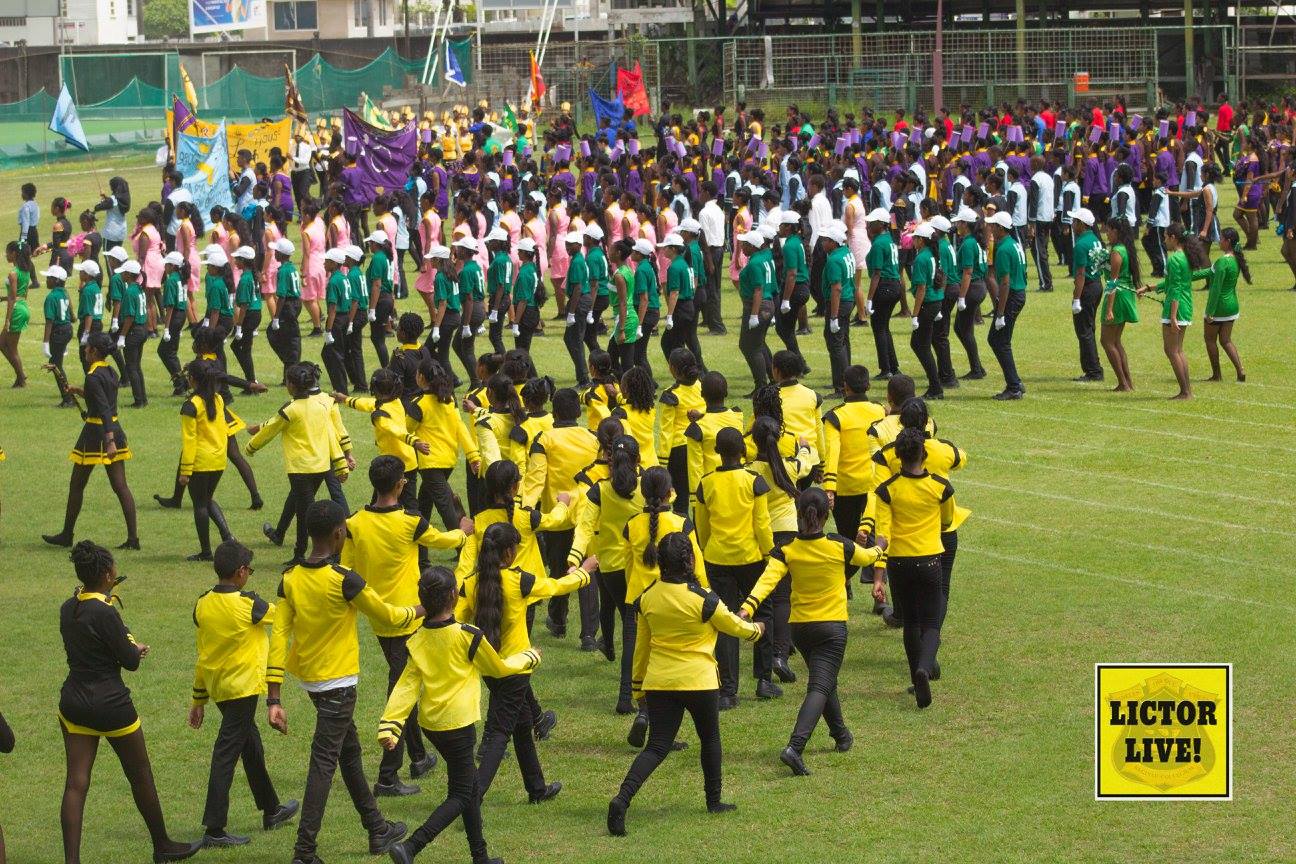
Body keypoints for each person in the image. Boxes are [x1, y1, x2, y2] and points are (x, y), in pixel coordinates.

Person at [266, 499, 417, 862]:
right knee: (324, 762)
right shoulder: (344, 580)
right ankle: (304, 851)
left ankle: (377, 829)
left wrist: (274, 697)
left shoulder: (290, 579)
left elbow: (278, 635)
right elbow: (390, 615)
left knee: (348, 752)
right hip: (339, 684)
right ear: (339, 533)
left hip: (312, 683)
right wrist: (423, 608)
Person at [607, 531, 763, 837]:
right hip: (700, 681)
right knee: (710, 739)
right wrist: (757, 631)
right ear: (690, 560)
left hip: (661, 682)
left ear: (659, 563)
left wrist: (638, 689)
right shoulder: (704, 599)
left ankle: (621, 799)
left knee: (657, 746)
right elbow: (733, 625)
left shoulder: (647, 597)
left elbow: (641, 648)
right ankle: (713, 801)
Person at [379, 567, 539, 864]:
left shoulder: (416, 640)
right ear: (454, 595)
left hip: (433, 727)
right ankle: (411, 847)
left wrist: (389, 727)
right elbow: (498, 669)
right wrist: (528, 656)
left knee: (470, 787)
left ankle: (480, 857)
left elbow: (406, 687)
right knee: (462, 795)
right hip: (459, 727)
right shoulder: (468, 636)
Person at [58, 541, 202, 863]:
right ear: (108, 575)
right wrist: (133, 646)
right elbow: (130, 662)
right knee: (140, 773)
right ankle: (162, 845)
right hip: (111, 705)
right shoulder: (106, 612)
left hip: (74, 702)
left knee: (76, 783)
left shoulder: (68, 608)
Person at [342, 456, 471, 797]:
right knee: (402, 689)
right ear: (401, 483)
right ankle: (387, 776)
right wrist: (464, 532)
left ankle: (418, 756)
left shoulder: (354, 522)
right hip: (410, 614)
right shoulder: (410, 521)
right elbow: (443, 540)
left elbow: (348, 570)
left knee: (406, 677)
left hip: (378, 615)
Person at [739, 489, 883, 774]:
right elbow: (867, 558)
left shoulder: (788, 549)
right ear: (826, 515)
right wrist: (881, 546)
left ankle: (841, 735)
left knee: (824, 680)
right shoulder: (839, 545)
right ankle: (795, 746)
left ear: (799, 513)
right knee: (819, 685)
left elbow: (767, 581)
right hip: (831, 628)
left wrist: (747, 607)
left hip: (801, 630)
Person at [456, 520, 591, 802]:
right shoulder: (519, 581)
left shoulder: (470, 584)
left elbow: (457, 622)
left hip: (490, 668)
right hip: (516, 670)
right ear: (507, 553)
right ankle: (473, 798)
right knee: (499, 734)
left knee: (522, 723)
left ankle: (536, 789)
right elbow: (555, 587)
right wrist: (584, 573)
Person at [189, 540, 299, 847]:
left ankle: (271, 809)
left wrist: (198, 701)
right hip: (243, 690)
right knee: (226, 754)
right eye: (249, 570)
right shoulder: (248, 605)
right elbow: (282, 617)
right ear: (240, 572)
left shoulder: (202, 604)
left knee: (251, 747)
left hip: (219, 689)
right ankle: (214, 829)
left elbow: (203, 654)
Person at [869, 428, 959, 708]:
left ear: (897, 455)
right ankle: (924, 667)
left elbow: (883, 536)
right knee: (931, 623)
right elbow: (947, 522)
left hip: (898, 563)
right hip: (930, 560)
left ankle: (914, 675)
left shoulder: (887, 490)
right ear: (924, 453)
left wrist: (878, 577)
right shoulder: (941, 487)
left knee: (910, 623)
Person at [694, 427, 775, 705]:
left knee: (725, 620)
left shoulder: (706, 483)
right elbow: (762, 523)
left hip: (717, 558)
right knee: (763, 611)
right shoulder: (754, 481)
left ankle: (728, 691)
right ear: (743, 451)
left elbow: (701, 527)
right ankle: (764, 679)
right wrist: (769, 553)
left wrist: (707, 549)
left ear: (716, 451)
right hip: (751, 556)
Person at [42, 332, 139, 549]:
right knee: (121, 486)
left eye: (87, 348)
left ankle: (67, 535)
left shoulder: (93, 376)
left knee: (76, 485)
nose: (85, 350)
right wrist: (79, 391)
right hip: (113, 427)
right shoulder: (109, 371)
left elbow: (103, 408)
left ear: (94, 351)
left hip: (97, 434)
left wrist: (110, 441)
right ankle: (133, 539)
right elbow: (102, 399)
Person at [246, 363, 349, 563]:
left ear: (292, 385)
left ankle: (303, 555)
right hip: (321, 466)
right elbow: (331, 434)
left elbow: (270, 430)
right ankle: (287, 539)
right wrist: (341, 461)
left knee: (306, 514)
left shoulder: (291, 409)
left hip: (300, 469)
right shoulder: (321, 405)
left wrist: (251, 447)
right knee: (301, 505)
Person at [523, 388, 601, 647]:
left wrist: (526, 510)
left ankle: (558, 621)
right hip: (588, 513)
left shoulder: (544, 439)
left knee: (559, 569)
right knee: (587, 567)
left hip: (557, 514)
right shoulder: (592, 437)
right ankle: (589, 635)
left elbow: (534, 479)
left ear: (553, 412)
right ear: (578, 412)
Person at [1138, 223, 1207, 400]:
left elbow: (1175, 289)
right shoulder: (1184, 256)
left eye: (1166, 237)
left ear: (1173, 238)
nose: (1164, 240)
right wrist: (1149, 287)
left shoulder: (1175, 259)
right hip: (1186, 306)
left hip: (1176, 308)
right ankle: (1187, 390)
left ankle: (1185, 392)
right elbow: (1172, 284)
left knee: (1172, 351)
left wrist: (1173, 317)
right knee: (1178, 350)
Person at [177, 360, 234, 561]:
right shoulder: (218, 399)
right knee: (207, 499)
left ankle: (206, 551)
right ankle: (228, 537)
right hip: (218, 460)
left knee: (200, 504)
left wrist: (185, 471)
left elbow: (190, 441)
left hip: (200, 462)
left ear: (192, 379)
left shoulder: (190, 406)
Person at [985, 211, 1027, 400]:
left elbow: (1005, 282)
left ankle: (1014, 385)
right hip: (1017, 294)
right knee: (999, 340)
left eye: (993, 225)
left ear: (1000, 228)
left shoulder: (1003, 249)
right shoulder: (1013, 244)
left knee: (999, 341)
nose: (991, 228)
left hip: (1011, 297)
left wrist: (1000, 312)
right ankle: (1015, 382)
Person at [1199, 227, 1248, 383]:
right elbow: (1208, 273)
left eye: (1221, 239)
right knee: (1226, 340)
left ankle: (1216, 375)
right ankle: (1240, 370)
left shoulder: (1222, 261)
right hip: (1232, 306)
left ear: (1228, 241)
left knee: (1210, 340)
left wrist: (1210, 312)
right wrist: (1188, 276)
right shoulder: (1235, 259)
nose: (1219, 241)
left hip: (1219, 307)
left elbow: (1216, 289)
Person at [1099, 218, 1141, 393]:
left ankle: (1123, 383)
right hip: (1126, 294)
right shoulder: (1126, 249)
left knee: (1107, 341)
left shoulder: (1117, 251)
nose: (1107, 233)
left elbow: (1112, 282)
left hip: (1117, 297)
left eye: (1109, 230)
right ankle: (1127, 382)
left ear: (1116, 231)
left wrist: (1109, 308)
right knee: (1116, 341)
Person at [907, 222, 945, 399]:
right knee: (920, 344)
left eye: (915, 238)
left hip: (928, 303)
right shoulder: (931, 254)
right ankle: (935, 384)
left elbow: (921, 288)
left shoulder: (921, 258)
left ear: (921, 240)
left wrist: (915, 314)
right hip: (935, 301)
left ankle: (935, 386)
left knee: (920, 345)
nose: (913, 241)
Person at [1067, 207, 1105, 383]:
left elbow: (1080, 274)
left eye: (1075, 221)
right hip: (1097, 284)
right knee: (1089, 328)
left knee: (1084, 330)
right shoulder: (1095, 240)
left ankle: (1093, 370)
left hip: (1088, 288)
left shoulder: (1081, 244)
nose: (1073, 224)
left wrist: (1076, 298)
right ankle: (1093, 366)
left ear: (1081, 224)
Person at [736, 229, 775, 392]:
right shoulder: (764, 258)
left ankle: (761, 384)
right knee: (758, 344)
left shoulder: (754, 263)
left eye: (745, 244)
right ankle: (771, 379)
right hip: (766, 304)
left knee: (749, 346)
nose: (742, 247)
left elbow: (758, 289)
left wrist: (753, 315)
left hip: (757, 306)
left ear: (752, 246)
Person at [267, 238, 302, 383]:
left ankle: (291, 367)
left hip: (287, 306)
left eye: (276, 251)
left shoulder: (283, 271)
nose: (274, 253)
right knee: (286, 337)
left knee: (286, 338)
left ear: (281, 254)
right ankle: (288, 371)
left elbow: (281, 295)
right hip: (295, 304)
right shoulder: (292, 268)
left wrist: (276, 317)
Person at [562, 231, 593, 385]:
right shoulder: (577, 259)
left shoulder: (577, 262)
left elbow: (578, 288)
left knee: (574, 340)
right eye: (566, 243)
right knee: (573, 339)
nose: (567, 246)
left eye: (570, 244)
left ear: (579, 245)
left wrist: (571, 313)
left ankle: (583, 378)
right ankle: (582, 376)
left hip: (579, 302)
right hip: (581, 301)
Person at [2, 241, 34, 387]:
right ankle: (20, 376)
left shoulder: (13, 273)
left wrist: (7, 320)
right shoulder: (26, 271)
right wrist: (4, 297)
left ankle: (21, 377)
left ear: (14, 254)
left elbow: (13, 298)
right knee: (2, 343)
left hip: (16, 310)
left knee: (11, 347)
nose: (6, 255)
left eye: (7, 252)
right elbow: (23, 294)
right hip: (23, 307)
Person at [230, 246, 262, 385]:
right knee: (240, 347)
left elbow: (243, 306)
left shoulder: (245, 279)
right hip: (256, 314)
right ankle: (250, 379)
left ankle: (251, 380)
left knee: (243, 348)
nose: (235, 261)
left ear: (243, 260)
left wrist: (238, 327)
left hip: (249, 316)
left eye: (237, 259)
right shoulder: (251, 275)